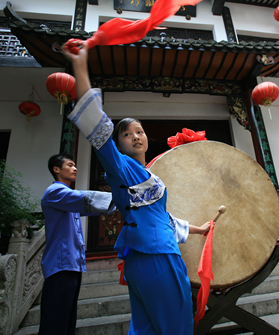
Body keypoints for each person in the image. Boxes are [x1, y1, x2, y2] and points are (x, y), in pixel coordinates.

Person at [63, 39, 211, 335]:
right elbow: (96, 127)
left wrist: (199, 229)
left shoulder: (147, 173)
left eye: (139, 131)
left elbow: (161, 217)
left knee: (144, 328)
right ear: (117, 144)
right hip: (157, 256)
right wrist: (80, 65)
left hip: (142, 257)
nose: (135, 136)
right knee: (175, 325)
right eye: (126, 134)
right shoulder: (121, 166)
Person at [39, 153, 115, 335]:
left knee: (66, 319)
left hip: (71, 265)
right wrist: (119, 197)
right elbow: (86, 200)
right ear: (56, 169)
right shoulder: (55, 192)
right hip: (60, 266)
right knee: (55, 321)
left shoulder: (68, 199)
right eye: (70, 165)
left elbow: (92, 208)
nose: (75, 169)